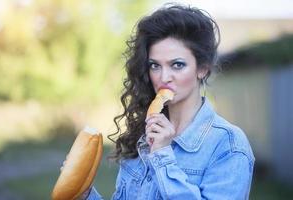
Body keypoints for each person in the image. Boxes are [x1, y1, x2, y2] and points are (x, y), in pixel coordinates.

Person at [85, 3, 255, 200]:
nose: (164, 77)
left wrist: (162, 154)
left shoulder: (228, 145)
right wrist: (85, 193)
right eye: (155, 66)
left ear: (202, 69)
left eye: (177, 65)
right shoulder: (143, 135)